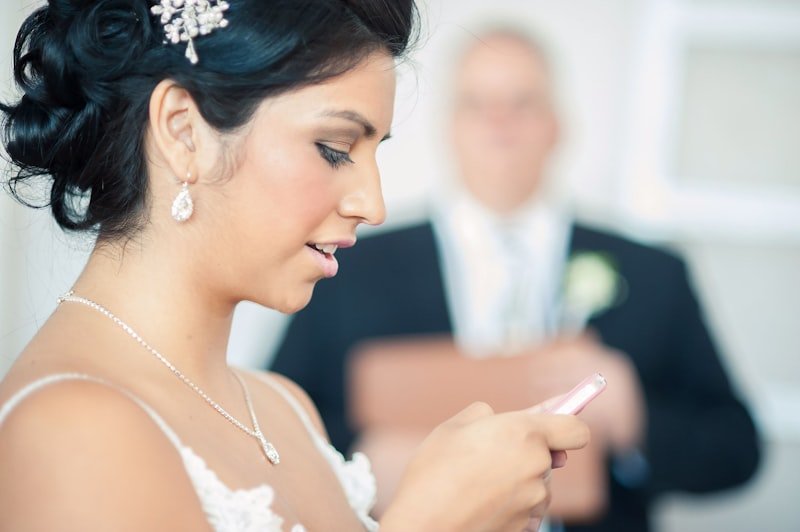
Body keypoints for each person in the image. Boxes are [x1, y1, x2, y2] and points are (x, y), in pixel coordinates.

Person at [0, 3, 592, 531]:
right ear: (183, 132)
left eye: (373, 153)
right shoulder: (66, 433)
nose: (372, 205)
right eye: (334, 149)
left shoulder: (285, 409)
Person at [272, 28, 761, 531]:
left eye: (522, 102)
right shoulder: (348, 265)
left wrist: (634, 417)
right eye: (476, 103)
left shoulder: (652, 272)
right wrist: (364, 464)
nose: (499, 123)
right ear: (450, 128)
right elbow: (274, 427)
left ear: (557, 124)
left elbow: (737, 450)